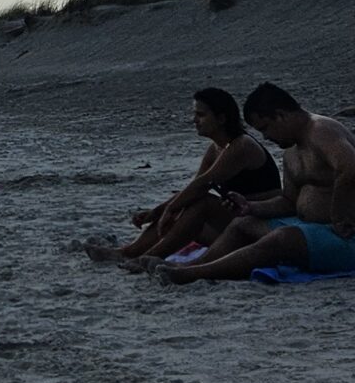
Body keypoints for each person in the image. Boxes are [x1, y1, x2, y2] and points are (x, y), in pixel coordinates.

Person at [156, 83, 355, 283]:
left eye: (266, 128)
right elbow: (289, 202)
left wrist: (338, 215)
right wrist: (251, 207)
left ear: (281, 115)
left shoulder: (322, 129)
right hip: (318, 229)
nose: (266, 137)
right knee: (243, 223)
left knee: (282, 238)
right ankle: (195, 267)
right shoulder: (291, 151)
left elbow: (350, 167)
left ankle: (192, 274)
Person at [89, 88, 279, 263]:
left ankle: (147, 258)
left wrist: (168, 209)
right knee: (185, 206)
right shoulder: (215, 149)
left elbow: (203, 185)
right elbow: (193, 187)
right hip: (235, 222)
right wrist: (158, 211)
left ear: (221, 118)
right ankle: (127, 252)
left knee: (200, 203)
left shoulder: (242, 146)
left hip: (260, 225)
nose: (194, 120)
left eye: (201, 115)